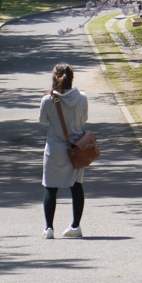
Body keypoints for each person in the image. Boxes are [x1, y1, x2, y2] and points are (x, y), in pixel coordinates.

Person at [38, 62, 88, 239]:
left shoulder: (48, 100)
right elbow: (84, 119)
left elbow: (43, 121)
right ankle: (75, 226)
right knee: (77, 186)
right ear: (72, 78)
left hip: (54, 149)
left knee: (50, 187)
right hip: (77, 148)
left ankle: (49, 228)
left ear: (53, 78)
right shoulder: (82, 98)